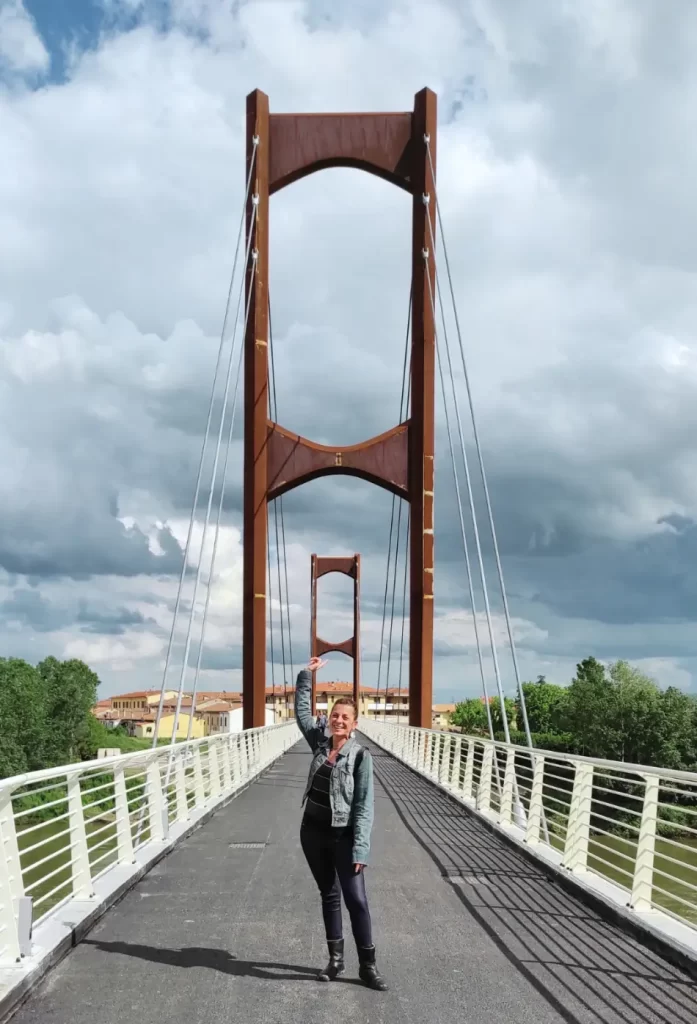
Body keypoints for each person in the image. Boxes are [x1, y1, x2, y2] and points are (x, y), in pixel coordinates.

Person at [295, 657, 387, 991]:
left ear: (355, 724)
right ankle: (335, 961)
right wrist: (307, 675)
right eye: (335, 715)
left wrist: (361, 847)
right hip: (312, 833)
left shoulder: (361, 757)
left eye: (345, 717)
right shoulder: (319, 742)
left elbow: (364, 807)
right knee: (328, 894)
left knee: (356, 899)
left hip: (343, 836)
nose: (338, 720)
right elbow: (302, 715)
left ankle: (368, 966)